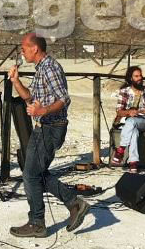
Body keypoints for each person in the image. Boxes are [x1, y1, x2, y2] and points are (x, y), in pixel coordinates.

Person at [7, 33, 89, 238]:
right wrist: (16, 81)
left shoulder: (50, 68)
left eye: (24, 48)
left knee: (31, 175)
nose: (21, 52)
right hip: (43, 127)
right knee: (36, 173)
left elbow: (64, 98)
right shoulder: (41, 69)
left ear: (35, 48)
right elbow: (29, 96)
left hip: (51, 127)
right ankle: (74, 203)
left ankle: (38, 223)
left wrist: (43, 110)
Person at [111, 66, 145, 172]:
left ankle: (121, 150)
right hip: (128, 122)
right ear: (130, 78)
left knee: (131, 122)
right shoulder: (124, 91)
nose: (139, 78)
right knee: (133, 132)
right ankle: (133, 163)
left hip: (143, 121)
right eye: (136, 76)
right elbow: (119, 111)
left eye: (140, 75)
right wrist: (128, 112)